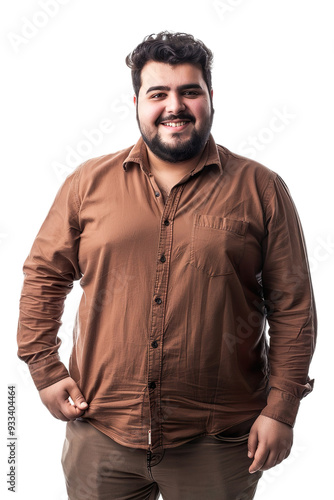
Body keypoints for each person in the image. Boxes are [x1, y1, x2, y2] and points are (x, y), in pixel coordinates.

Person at [17, 31, 317, 500]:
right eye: (159, 93)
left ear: (210, 98)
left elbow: (293, 306)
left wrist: (281, 409)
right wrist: (45, 369)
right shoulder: (86, 183)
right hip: (101, 431)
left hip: (219, 442)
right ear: (137, 101)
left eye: (189, 91)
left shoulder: (262, 188)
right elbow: (44, 275)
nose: (174, 106)